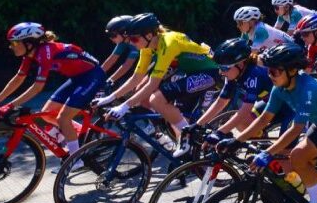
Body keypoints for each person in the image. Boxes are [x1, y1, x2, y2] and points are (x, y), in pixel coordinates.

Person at [225, 42, 317, 203]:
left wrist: (267, 153)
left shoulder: (307, 88)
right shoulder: (279, 89)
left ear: (292, 70)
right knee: (285, 153)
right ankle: (314, 174)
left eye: (275, 72)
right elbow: (263, 120)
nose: (270, 76)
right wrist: (236, 140)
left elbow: (296, 128)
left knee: (298, 155)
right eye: (269, 71)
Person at [0, 23, 105, 156]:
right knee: (47, 113)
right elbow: (18, 78)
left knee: (63, 118)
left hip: (93, 76)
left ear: (29, 43)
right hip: (77, 78)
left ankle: (76, 160)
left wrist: (10, 106)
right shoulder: (31, 54)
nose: (11, 46)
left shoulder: (45, 52)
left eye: (15, 43)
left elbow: (37, 88)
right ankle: (83, 136)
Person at [99, 13, 219, 141]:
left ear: (149, 35)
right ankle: (187, 150)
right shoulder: (146, 46)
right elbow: (136, 77)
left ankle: (188, 138)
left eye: (134, 39)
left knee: (157, 99)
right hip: (188, 72)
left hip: (208, 72)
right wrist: (109, 98)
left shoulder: (168, 42)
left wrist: (124, 106)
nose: (133, 44)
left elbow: (153, 83)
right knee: (175, 115)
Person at [196, 38, 273, 134]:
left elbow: (245, 110)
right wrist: (197, 125)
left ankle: (268, 147)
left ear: (240, 64)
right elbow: (221, 102)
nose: (220, 72)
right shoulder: (234, 74)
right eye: (219, 67)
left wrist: (219, 133)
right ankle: (262, 142)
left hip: (284, 102)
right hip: (268, 100)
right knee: (240, 124)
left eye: (224, 68)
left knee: (242, 121)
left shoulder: (254, 73)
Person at [101, 15, 139, 85]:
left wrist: (109, 81)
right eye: (109, 35)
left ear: (125, 33)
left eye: (113, 35)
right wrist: (95, 75)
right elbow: (111, 59)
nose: (111, 38)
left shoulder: (136, 42)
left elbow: (127, 65)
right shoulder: (123, 40)